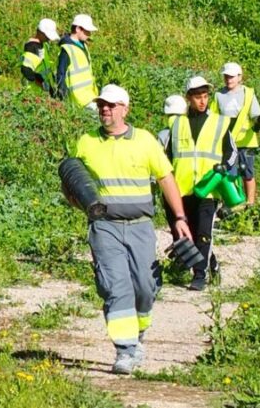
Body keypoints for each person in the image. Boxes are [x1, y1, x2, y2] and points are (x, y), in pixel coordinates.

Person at [66, 84, 192, 375]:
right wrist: (76, 200)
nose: (104, 110)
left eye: (110, 105)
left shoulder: (146, 141)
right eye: (101, 105)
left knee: (145, 288)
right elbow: (72, 181)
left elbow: (166, 178)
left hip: (140, 227)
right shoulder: (86, 142)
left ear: (125, 108)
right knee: (116, 286)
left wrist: (180, 218)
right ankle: (125, 350)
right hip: (104, 227)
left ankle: (139, 332)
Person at [165, 76, 236, 291]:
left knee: (204, 233)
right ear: (189, 98)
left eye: (205, 97)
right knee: (189, 234)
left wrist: (224, 167)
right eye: (198, 97)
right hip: (183, 189)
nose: (202, 101)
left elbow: (232, 152)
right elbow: (168, 157)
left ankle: (199, 274)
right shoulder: (177, 124)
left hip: (209, 189)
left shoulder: (219, 122)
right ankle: (209, 262)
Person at [211, 62, 260, 207]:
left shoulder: (248, 93)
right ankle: (232, 203)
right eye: (226, 77)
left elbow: (256, 115)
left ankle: (250, 203)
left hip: (246, 142)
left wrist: (259, 123)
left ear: (239, 77)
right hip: (227, 142)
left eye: (232, 77)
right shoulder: (219, 96)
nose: (229, 79)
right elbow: (213, 118)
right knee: (230, 174)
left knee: (247, 173)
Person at [56, 14, 99, 110]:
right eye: (87, 31)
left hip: (89, 96)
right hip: (78, 99)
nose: (89, 34)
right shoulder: (66, 49)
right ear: (78, 29)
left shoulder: (83, 45)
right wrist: (63, 97)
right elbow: (61, 75)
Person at [21, 18, 59, 91]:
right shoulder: (31, 47)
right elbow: (26, 70)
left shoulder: (43, 45)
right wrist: (41, 83)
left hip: (44, 89)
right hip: (34, 90)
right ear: (40, 32)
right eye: (47, 36)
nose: (49, 39)